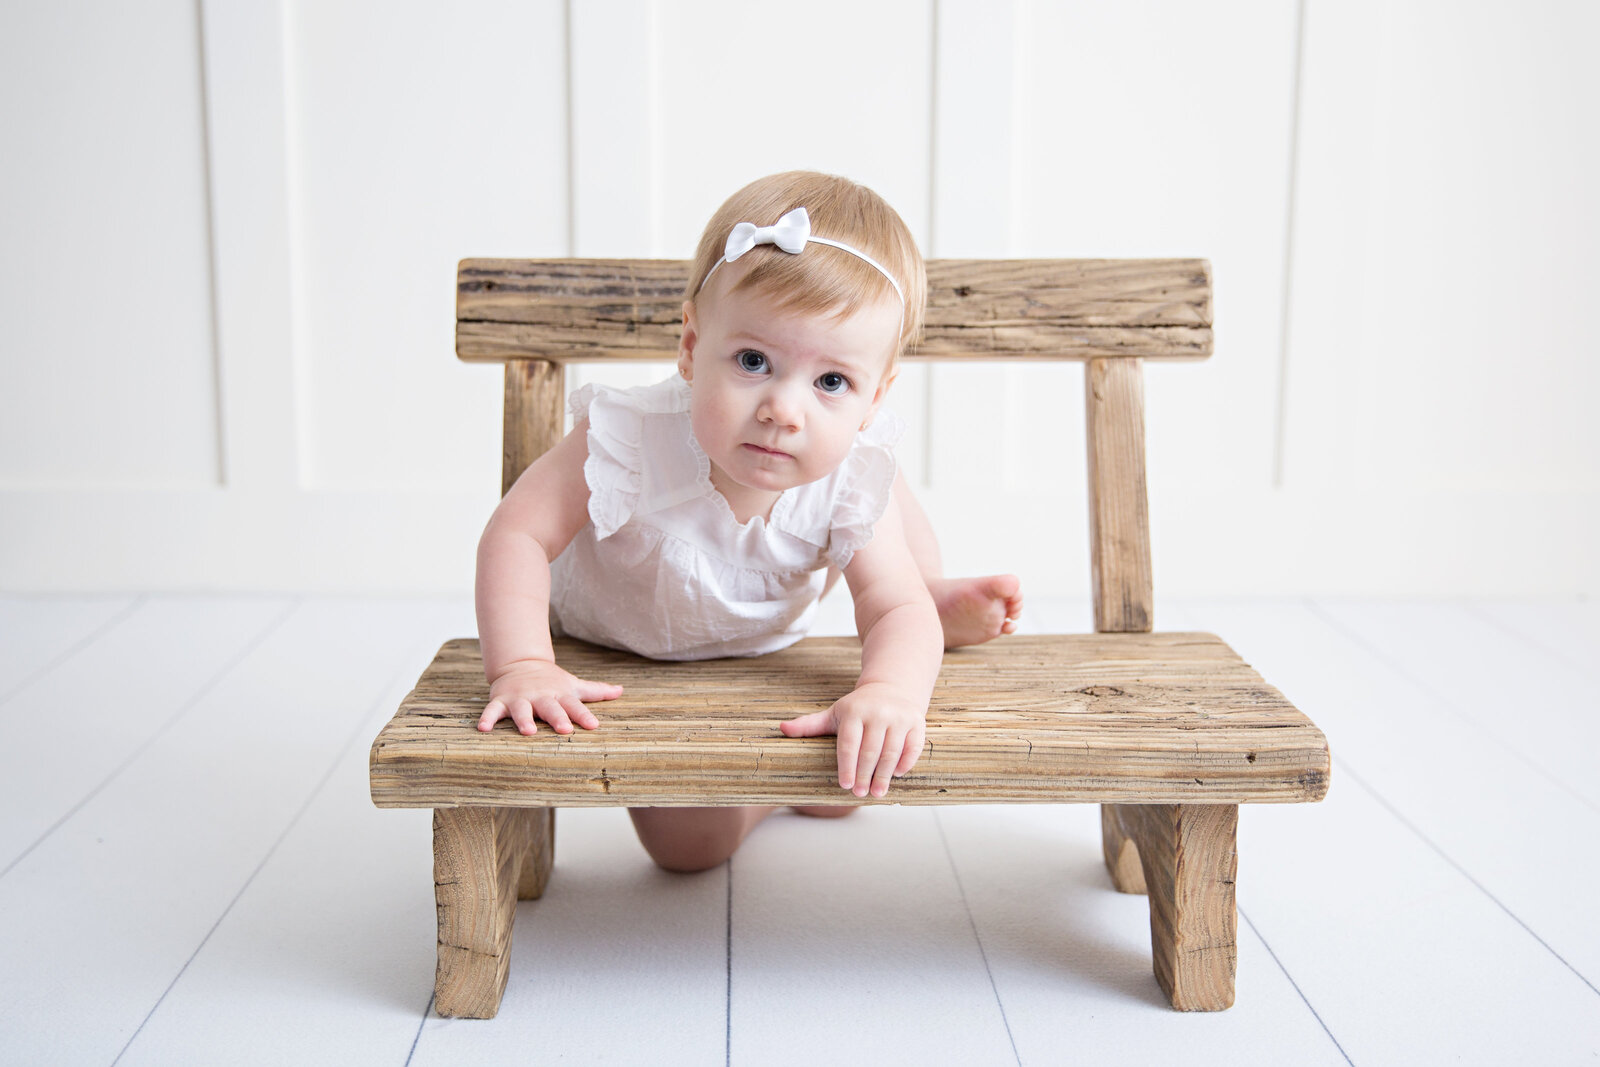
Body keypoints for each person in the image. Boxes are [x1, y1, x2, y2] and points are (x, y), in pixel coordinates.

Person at [473, 171, 1022, 871]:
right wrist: (522, 665)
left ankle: (931, 589)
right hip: (621, 642)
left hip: (763, 633)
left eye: (832, 383)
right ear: (691, 346)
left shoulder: (846, 460)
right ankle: (768, 798)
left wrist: (889, 691)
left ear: (874, 393)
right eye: (754, 361)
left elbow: (893, 608)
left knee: (875, 483)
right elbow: (516, 533)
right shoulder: (628, 436)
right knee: (686, 849)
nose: (784, 409)